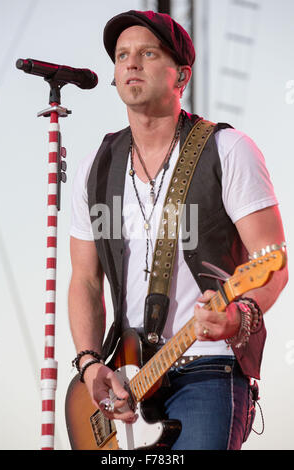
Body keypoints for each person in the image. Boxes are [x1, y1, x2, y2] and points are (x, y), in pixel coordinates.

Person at [68, 10, 288, 450]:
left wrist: (236, 318)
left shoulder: (229, 149)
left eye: (147, 54)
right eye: (122, 55)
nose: (130, 63)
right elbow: (85, 280)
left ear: (181, 74)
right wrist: (92, 365)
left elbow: (273, 263)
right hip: (126, 380)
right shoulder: (98, 166)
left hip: (209, 368)